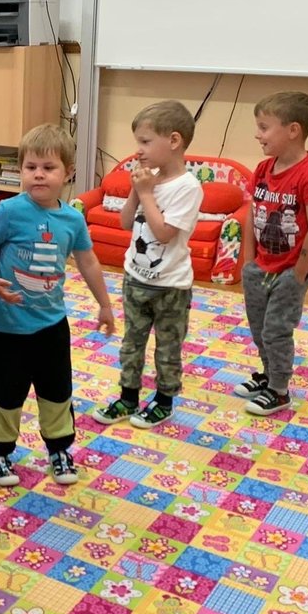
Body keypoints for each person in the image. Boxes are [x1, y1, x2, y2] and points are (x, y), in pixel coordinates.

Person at [0, 124, 116, 486]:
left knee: (57, 391)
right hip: (9, 326)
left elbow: (87, 261)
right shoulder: (8, 211)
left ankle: (59, 449)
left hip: (52, 325)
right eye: (30, 167)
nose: (38, 174)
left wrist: (105, 304)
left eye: (48, 167)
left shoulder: (72, 219)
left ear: (68, 172)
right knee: (2, 392)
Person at [93, 101, 203, 429]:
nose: (138, 150)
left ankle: (164, 402)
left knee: (167, 348)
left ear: (174, 141)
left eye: (145, 141)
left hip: (170, 286)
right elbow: (127, 222)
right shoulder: (148, 181)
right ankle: (128, 398)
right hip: (135, 278)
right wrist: (135, 191)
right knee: (132, 343)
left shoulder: (188, 187)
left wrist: (147, 193)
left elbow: (165, 233)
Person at [234, 91, 308, 415]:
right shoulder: (263, 168)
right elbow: (251, 214)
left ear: (293, 130)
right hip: (259, 266)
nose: (257, 134)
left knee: (277, 329)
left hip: (290, 271)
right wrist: (248, 261)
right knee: (259, 327)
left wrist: (298, 273)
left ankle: (279, 389)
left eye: (264, 127)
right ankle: (268, 374)